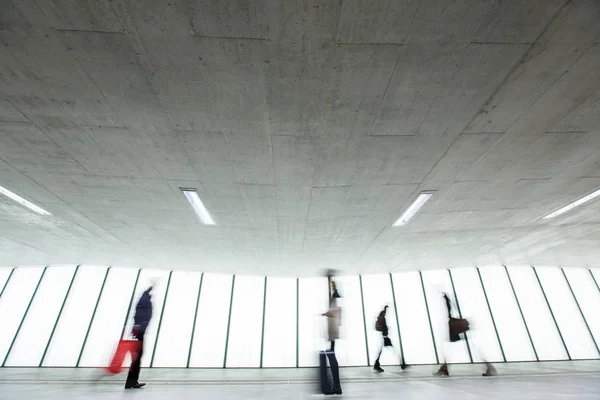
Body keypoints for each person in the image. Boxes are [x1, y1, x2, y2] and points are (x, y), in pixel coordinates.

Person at [434, 293, 496, 377]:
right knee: (473, 352)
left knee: (449, 350)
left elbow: (449, 310)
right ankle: (444, 369)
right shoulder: (457, 325)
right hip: (458, 337)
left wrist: (446, 299)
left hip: (456, 337)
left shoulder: (452, 322)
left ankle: (444, 369)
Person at [125, 285, 153, 389]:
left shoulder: (145, 299)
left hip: (140, 330)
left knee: (137, 357)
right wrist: (139, 326)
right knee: (137, 357)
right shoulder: (144, 299)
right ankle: (131, 382)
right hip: (139, 331)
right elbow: (140, 313)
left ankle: (132, 381)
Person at [320, 281, 342, 395]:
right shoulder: (335, 310)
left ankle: (337, 386)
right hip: (332, 335)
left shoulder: (335, 309)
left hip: (332, 336)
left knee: (332, 358)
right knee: (332, 357)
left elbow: (332, 312)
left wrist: (334, 288)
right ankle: (336, 386)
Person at [373, 306, 407, 372]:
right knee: (392, 350)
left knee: (383, 351)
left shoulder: (380, 318)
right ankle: (402, 363)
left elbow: (379, 327)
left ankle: (377, 364)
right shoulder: (382, 318)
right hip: (384, 337)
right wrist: (385, 329)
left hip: (383, 337)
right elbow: (381, 327)